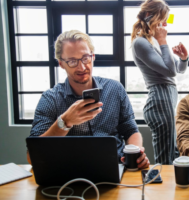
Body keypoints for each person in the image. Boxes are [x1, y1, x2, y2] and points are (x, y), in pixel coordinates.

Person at [27, 30, 150, 169]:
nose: (82, 67)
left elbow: (130, 130)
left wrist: (135, 154)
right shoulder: (51, 98)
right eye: (72, 61)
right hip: (67, 172)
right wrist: (64, 122)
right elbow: (33, 156)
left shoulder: (115, 89)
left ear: (93, 56)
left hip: (115, 167)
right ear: (61, 64)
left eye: (85, 58)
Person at [131, 0, 189, 164]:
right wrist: (164, 41)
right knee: (165, 160)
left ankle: (171, 189)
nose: (164, 25)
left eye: (166, 21)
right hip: (160, 99)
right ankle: (160, 189)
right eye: (162, 20)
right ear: (150, 16)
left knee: (173, 153)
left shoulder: (153, 41)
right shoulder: (140, 42)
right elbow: (170, 72)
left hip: (167, 99)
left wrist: (183, 58)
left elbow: (178, 70)